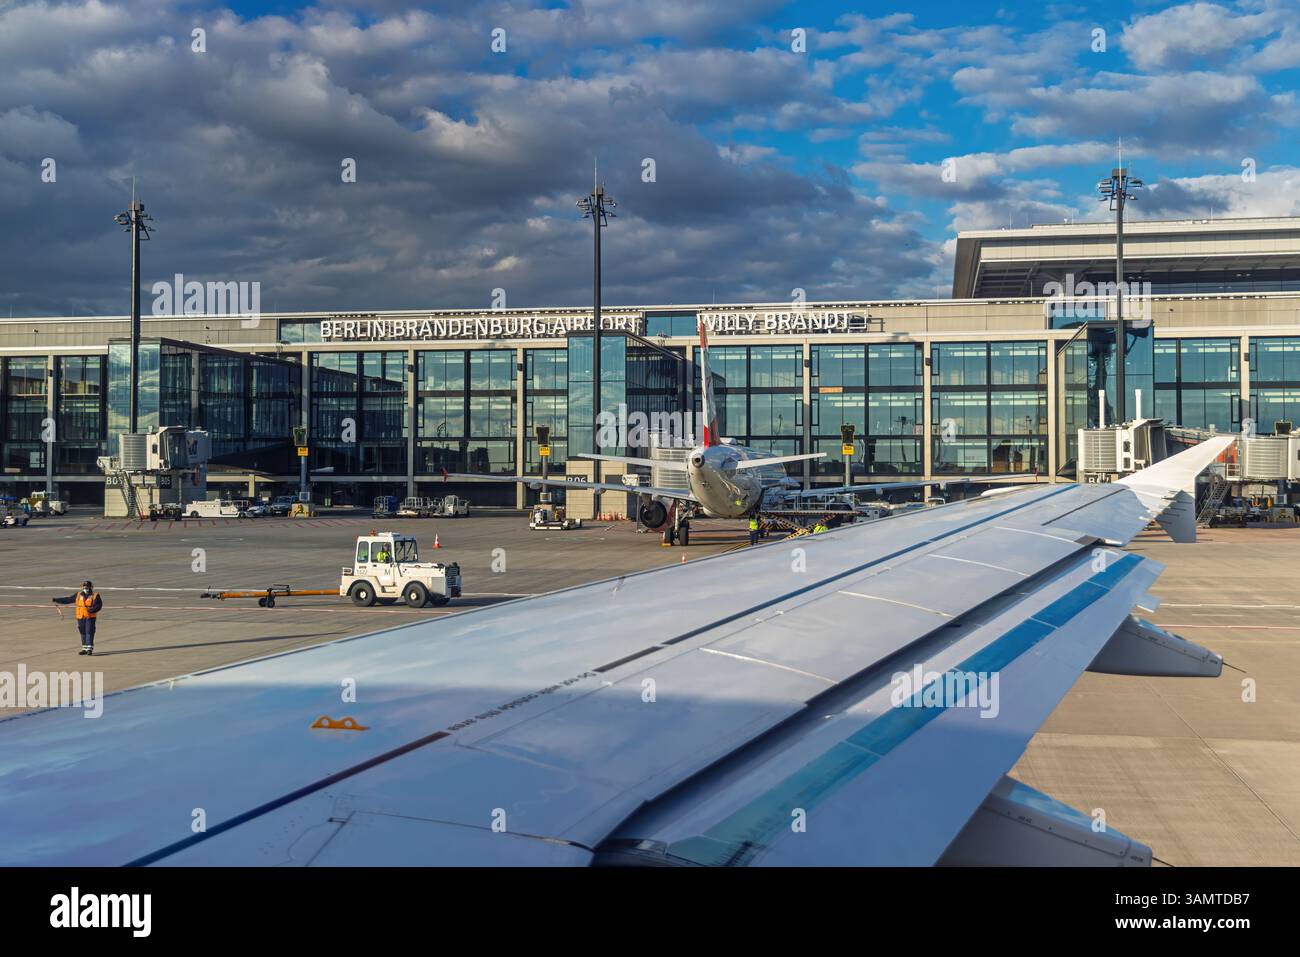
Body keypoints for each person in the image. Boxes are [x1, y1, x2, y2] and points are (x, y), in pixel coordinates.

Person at [53, 581, 102, 656]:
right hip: (80, 617)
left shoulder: (95, 595)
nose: (86, 588)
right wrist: (57, 600)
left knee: (89, 631)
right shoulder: (78, 594)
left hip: (89, 617)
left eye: (87, 586)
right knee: (82, 631)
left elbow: (98, 605)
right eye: (84, 586)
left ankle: (89, 649)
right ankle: (84, 648)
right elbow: (68, 599)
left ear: (91, 587)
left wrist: (92, 610)